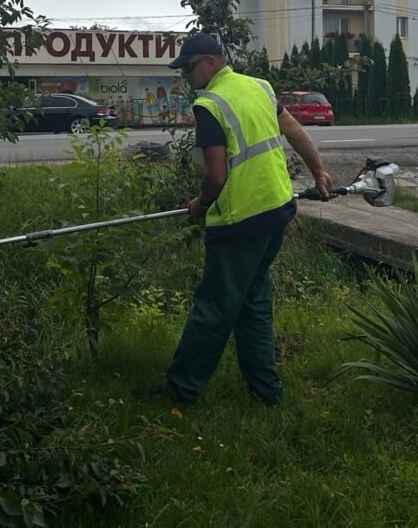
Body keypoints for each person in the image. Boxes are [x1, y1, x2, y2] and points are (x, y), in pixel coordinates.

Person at [138, 33, 333, 407]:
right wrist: (319, 171)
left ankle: (180, 392)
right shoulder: (258, 87)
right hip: (277, 211)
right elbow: (294, 130)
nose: (187, 77)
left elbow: (215, 176)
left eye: (190, 68)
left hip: (239, 222)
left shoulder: (209, 103)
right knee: (253, 301)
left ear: (211, 61)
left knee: (213, 308)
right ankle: (267, 392)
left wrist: (199, 204)